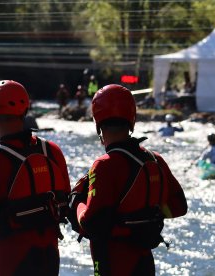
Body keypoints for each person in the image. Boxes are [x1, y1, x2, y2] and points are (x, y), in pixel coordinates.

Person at [69, 84, 187, 276]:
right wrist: (146, 216)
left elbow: (91, 223)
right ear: (132, 119)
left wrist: (77, 203)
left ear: (97, 121)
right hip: (144, 263)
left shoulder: (104, 164)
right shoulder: (154, 160)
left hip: (113, 263)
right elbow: (179, 207)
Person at [0, 80, 71, 276]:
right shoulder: (53, 151)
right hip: (49, 257)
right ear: (25, 108)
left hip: (11, 259)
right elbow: (65, 199)